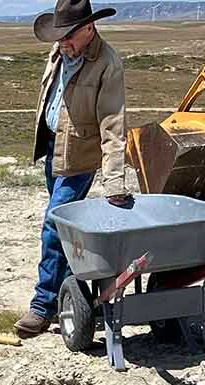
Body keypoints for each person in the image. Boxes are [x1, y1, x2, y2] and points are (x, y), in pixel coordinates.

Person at [16, 0, 129, 339]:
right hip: (54, 148)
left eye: (68, 36)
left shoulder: (107, 64)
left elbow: (113, 126)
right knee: (64, 230)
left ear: (89, 29)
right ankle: (73, 295)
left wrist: (114, 183)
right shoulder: (58, 51)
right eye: (59, 35)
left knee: (53, 224)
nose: (62, 42)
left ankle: (42, 306)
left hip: (79, 157)